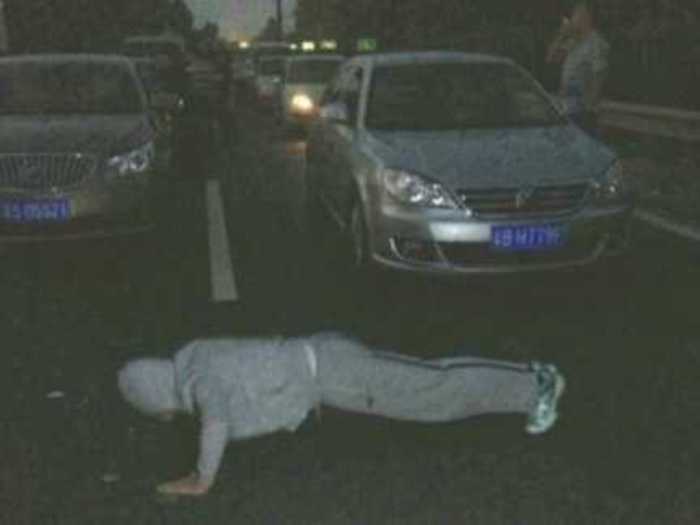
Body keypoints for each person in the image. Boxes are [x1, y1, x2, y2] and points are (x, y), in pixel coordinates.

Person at [118, 333, 566, 497]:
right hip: (330, 374)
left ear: (157, 397)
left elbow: (216, 420)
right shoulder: (194, 361)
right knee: (433, 397)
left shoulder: (197, 379)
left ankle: (536, 384)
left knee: (435, 385)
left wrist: (201, 478)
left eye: (157, 411)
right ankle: (529, 390)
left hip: (334, 372)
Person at [547, 1, 610, 136]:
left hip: (583, 112)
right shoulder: (573, 42)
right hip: (567, 108)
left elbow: (599, 75)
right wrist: (561, 35)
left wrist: (589, 106)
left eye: (575, 13)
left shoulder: (596, 43)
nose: (572, 18)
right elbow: (551, 58)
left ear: (586, 17)